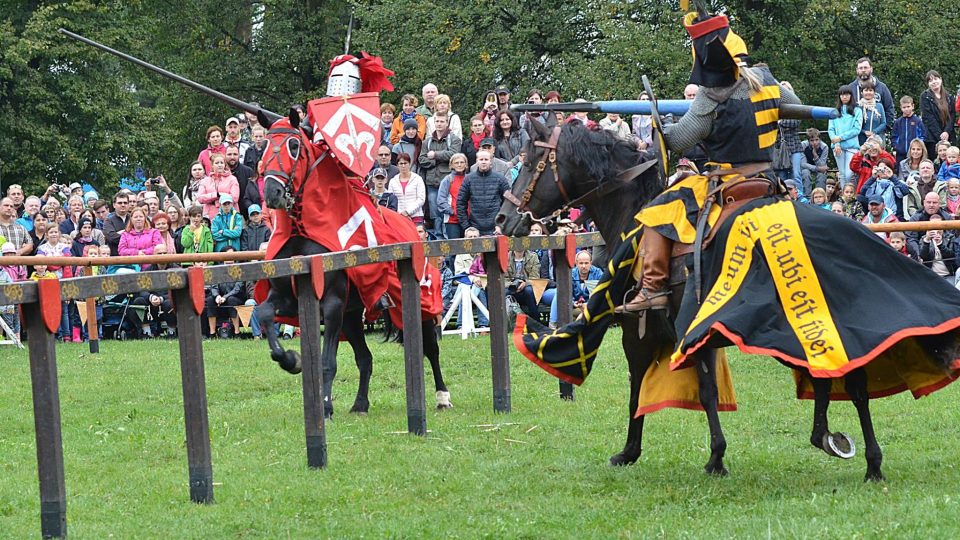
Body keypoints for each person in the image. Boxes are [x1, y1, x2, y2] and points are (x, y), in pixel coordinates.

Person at [419, 114, 461, 234]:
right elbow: (421, 159)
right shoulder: (427, 142)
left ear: (447, 123)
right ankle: (438, 237)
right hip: (432, 182)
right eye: (437, 121)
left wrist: (435, 155)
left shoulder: (454, 139)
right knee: (434, 212)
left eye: (442, 121)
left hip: (448, 181)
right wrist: (436, 160)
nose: (439, 123)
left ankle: (448, 237)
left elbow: (454, 155)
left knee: (447, 211)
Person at [456, 150, 511, 235]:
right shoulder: (468, 179)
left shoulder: (500, 179)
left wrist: (501, 225)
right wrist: (467, 227)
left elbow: (508, 204)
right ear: (477, 161)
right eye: (481, 159)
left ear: (490, 161)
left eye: (486, 159)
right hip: (475, 230)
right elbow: (460, 204)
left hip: (496, 229)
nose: (483, 162)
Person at [828, 85, 864, 184]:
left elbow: (856, 129)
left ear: (851, 95)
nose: (844, 97)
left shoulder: (857, 111)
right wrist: (836, 143)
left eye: (847, 94)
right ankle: (845, 197)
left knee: (850, 174)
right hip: (837, 147)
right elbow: (831, 130)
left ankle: (852, 196)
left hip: (852, 146)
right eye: (842, 95)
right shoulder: (834, 112)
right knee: (842, 175)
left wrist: (840, 138)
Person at [849, 57, 895, 133]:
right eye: (860, 68)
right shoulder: (851, 88)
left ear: (871, 69)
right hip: (856, 135)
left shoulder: (882, 87)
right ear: (857, 70)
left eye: (865, 67)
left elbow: (889, 109)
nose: (863, 70)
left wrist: (884, 128)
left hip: (878, 134)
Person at [920, 70, 957, 159]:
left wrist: (947, 132)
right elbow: (928, 118)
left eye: (935, 79)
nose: (934, 82)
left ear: (940, 80)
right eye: (930, 80)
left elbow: (952, 116)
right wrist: (940, 136)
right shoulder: (925, 97)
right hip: (932, 138)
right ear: (928, 83)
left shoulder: (949, 97)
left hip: (949, 136)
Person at [196, 152, 240, 220]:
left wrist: (222, 196)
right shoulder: (205, 181)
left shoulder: (232, 179)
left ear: (224, 165)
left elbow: (235, 198)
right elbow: (200, 198)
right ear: (212, 165)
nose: (219, 165)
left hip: (229, 215)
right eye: (217, 163)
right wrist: (216, 195)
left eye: (221, 163)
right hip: (210, 215)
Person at [437, 153, 469, 240]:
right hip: (452, 220)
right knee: (454, 249)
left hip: (469, 219)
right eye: (456, 162)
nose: (459, 165)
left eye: (462, 162)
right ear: (451, 165)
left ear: (466, 164)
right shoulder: (448, 180)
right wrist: (453, 211)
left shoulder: (469, 179)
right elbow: (441, 200)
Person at [388, 153, 426, 223]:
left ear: (409, 164)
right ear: (397, 165)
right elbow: (391, 200)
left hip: (416, 216)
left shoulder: (418, 179)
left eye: (405, 163)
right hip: (399, 217)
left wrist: (407, 212)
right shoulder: (393, 181)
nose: (403, 166)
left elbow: (421, 199)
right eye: (401, 163)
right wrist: (401, 213)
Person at [505, 249, 542, 318]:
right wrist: (512, 285)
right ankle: (508, 322)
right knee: (504, 292)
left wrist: (525, 283)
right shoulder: (506, 257)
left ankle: (536, 320)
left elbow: (535, 278)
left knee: (529, 291)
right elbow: (504, 279)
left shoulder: (533, 256)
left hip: (527, 288)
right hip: (511, 288)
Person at [918, 214, 956, 281]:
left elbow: (951, 256)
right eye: (933, 225)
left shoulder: (950, 237)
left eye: (938, 225)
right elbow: (924, 257)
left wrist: (940, 243)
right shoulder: (924, 239)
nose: (936, 228)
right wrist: (927, 241)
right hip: (931, 276)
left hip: (949, 275)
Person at [891, 96, 926, 168]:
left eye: (908, 106)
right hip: (901, 153)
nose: (906, 109)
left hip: (914, 153)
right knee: (900, 170)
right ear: (901, 108)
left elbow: (923, 135)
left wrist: (918, 145)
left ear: (912, 106)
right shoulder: (898, 122)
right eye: (904, 107)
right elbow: (894, 136)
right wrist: (896, 146)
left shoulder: (917, 121)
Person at [226, 145, 255, 217]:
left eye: (235, 154)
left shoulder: (248, 171)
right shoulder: (220, 172)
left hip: (245, 212)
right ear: (225, 155)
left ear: (239, 155)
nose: (232, 157)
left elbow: (252, 194)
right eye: (229, 154)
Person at [800, 128, 830, 195]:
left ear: (820, 139)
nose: (815, 143)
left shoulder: (824, 147)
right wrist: (817, 168)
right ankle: (807, 197)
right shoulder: (803, 145)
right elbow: (803, 164)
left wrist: (815, 156)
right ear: (808, 141)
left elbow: (822, 165)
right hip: (807, 167)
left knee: (822, 175)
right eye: (812, 140)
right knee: (805, 173)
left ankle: (819, 196)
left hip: (819, 168)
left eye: (817, 140)